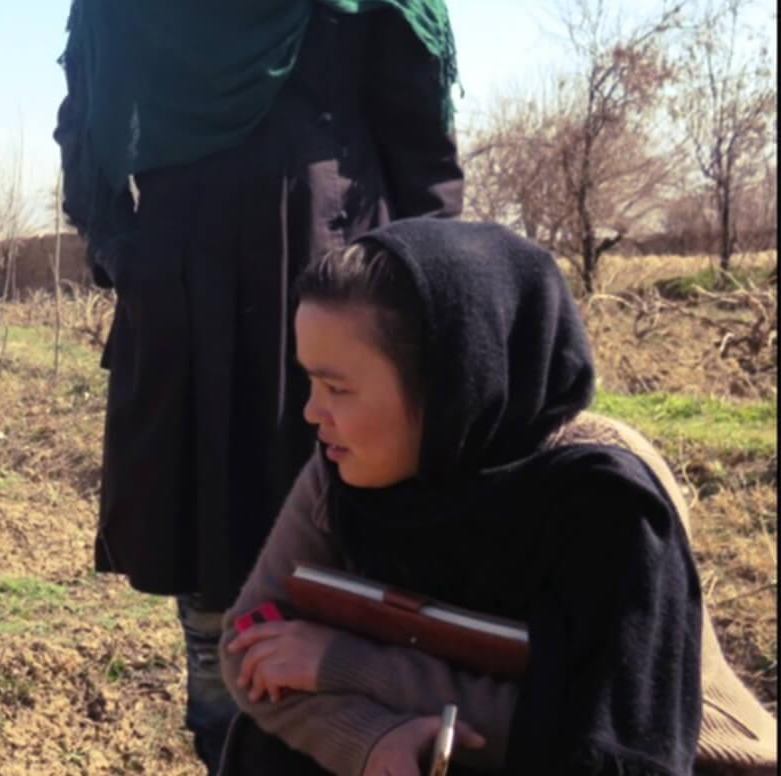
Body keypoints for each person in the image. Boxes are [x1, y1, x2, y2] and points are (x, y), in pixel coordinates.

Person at [51, 0, 464, 765]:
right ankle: (225, 741)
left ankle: (341, 741)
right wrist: (127, 256)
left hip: (340, 296)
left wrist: (436, 303)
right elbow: (86, 121)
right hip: (188, 300)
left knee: (352, 548)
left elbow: (417, 135)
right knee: (212, 568)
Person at [218, 220, 779, 775]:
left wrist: (349, 667)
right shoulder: (347, 463)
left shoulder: (606, 499)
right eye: (309, 382)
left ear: (447, 385)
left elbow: (600, 740)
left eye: (337, 388)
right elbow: (251, 648)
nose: (312, 414)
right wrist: (370, 740)